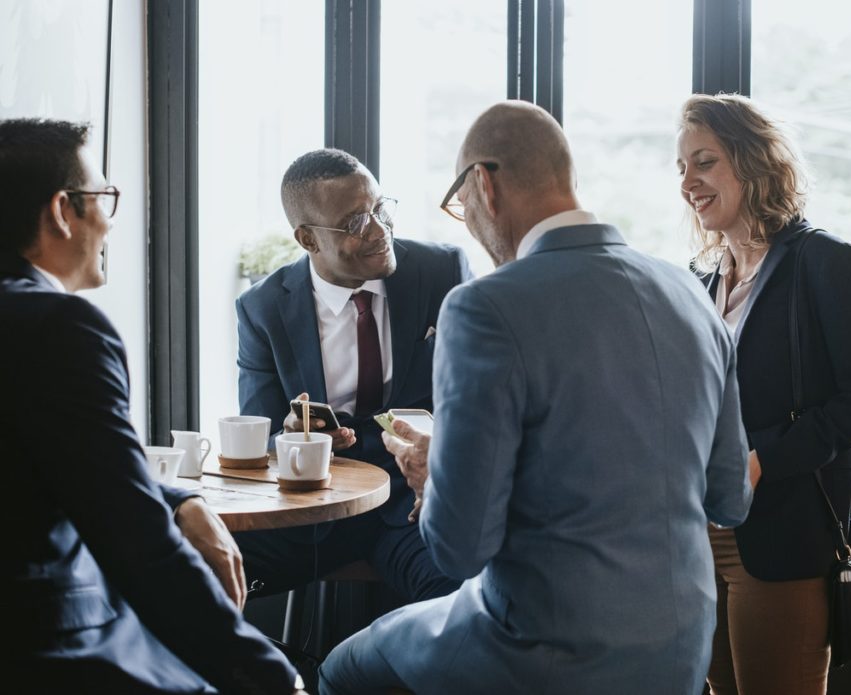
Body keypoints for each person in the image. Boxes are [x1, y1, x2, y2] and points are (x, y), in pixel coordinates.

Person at [317, 100, 753, 695]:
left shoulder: (485, 307)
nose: (467, 222)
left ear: (484, 186)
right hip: (679, 649)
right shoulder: (690, 293)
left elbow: (458, 549)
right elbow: (729, 497)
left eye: (461, 207)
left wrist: (436, 469)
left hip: (540, 647)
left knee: (342, 668)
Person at [1, 118, 304, 693]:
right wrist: (269, 676)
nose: (112, 220)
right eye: (105, 197)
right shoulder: (60, 327)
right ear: (63, 210)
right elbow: (133, 537)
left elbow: (49, 467)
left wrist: (181, 496)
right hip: (47, 645)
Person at [676, 93, 851, 695]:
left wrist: (761, 461)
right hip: (699, 538)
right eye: (681, 168)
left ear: (753, 163)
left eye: (704, 162)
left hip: (784, 534)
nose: (688, 182)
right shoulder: (702, 279)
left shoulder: (827, 263)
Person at [233, 148, 471, 602]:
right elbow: (261, 436)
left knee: (457, 596)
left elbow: (482, 394)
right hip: (317, 513)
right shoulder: (263, 309)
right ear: (307, 240)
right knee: (198, 570)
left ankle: (384, 671)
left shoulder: (442, 271)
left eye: (381, 210)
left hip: (413, 505)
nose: (381, 231)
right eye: (356, 223)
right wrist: (292, 440)